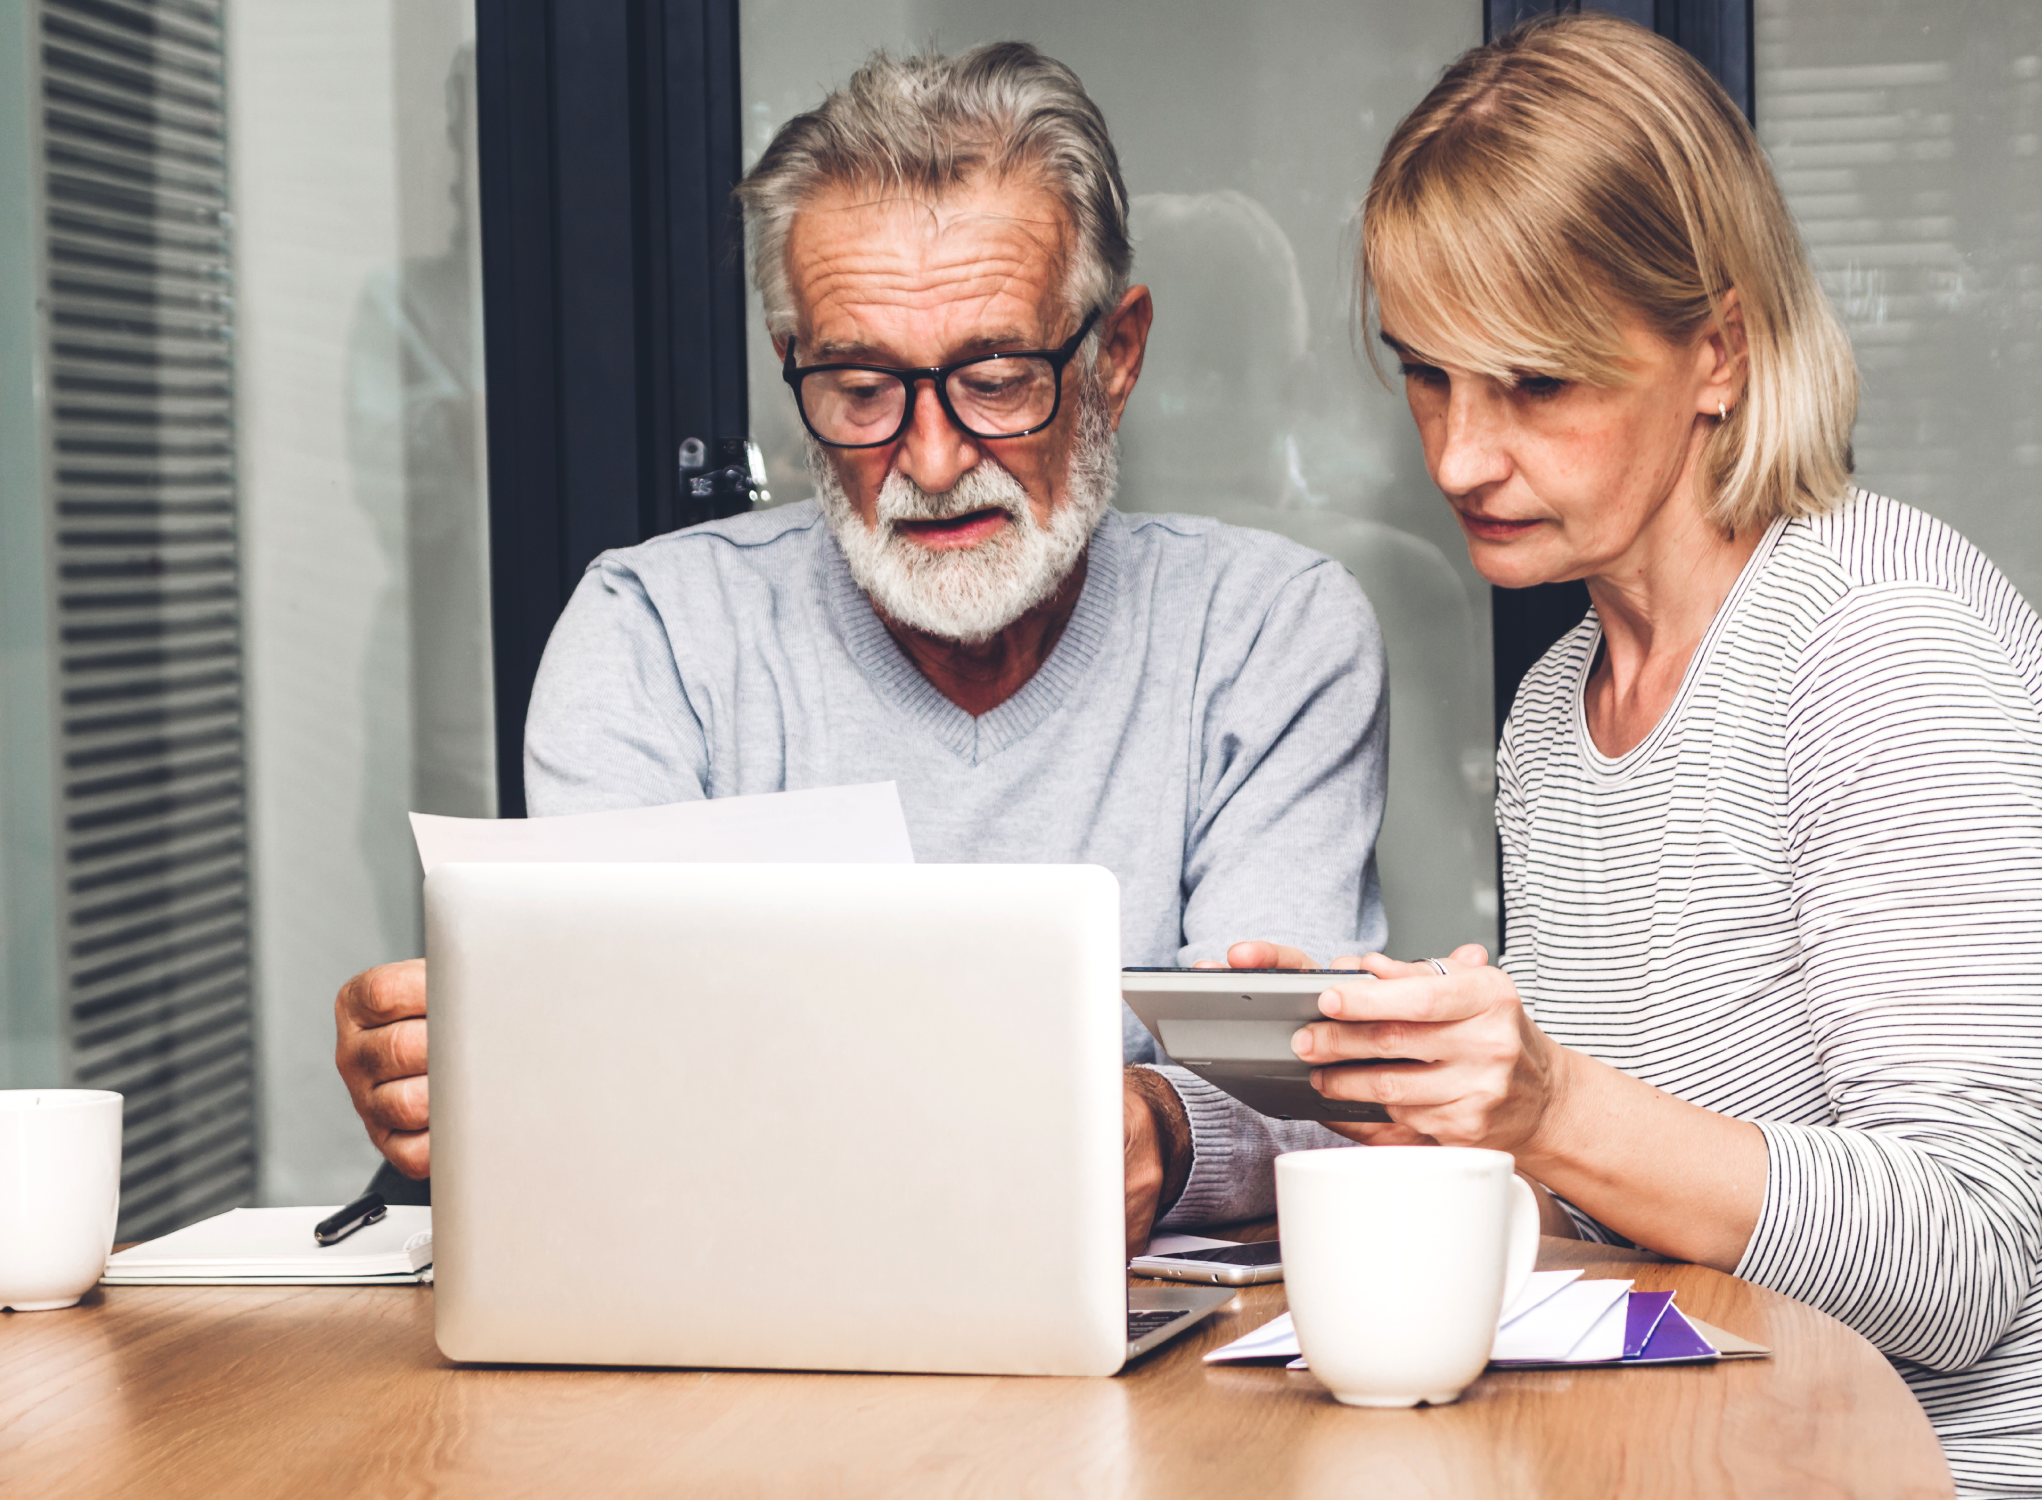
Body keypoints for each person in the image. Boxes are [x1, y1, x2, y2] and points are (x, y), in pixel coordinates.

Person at [331, 42, 1385, 1252]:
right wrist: (466, 1074)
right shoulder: (651, 638)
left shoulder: (1268, 634)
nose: (931, 464)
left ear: (1115, 356)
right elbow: (597, 1086)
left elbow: (1319, 1090)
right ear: (793, 371)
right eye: (857, 388)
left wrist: (1163, 1127)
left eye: (995, 377)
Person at [1195, 14, 2042, 1491]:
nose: (1457, 456)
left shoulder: (1884, 639)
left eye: (1532, 385)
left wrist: (1549, 1107)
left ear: (1714, 350)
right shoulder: (1562, 705)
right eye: (1426, 375)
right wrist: (1408, 1093)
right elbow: (1634, 1221)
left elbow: (1968, 1254)